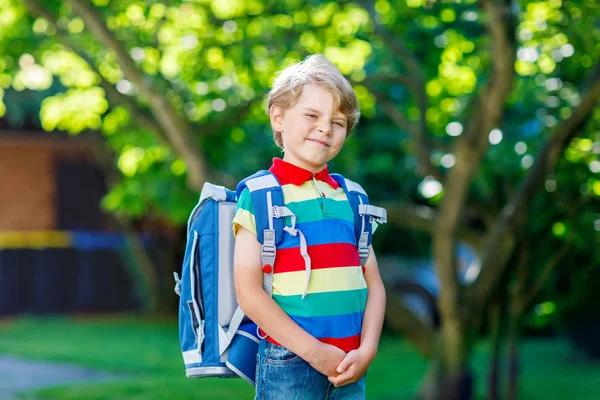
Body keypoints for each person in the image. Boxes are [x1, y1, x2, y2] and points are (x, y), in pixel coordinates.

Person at [233, 54, 386, 400]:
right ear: (278, 116)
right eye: (312, 115)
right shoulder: (261, 196)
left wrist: (369, 350)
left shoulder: (352, 198)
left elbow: (374, 284)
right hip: (291, 362)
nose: (325, 128)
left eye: (339, 121)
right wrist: (315, 352)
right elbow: (249, 293)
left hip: (350, 363)